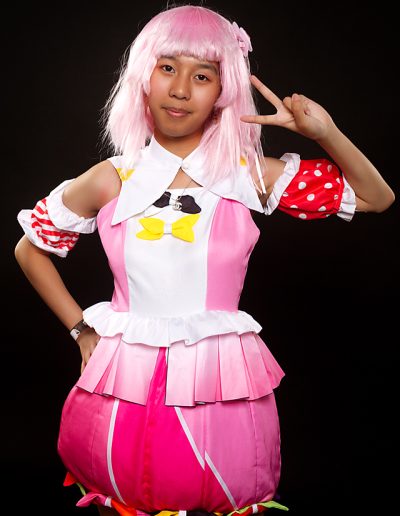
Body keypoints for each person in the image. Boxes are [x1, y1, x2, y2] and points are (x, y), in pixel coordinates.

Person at [14, 4, 394, 516]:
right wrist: (81, 331)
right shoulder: (112, 177)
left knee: (220, 494)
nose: (179, 90)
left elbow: (375, 197)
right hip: (123, 381)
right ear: (143, 76)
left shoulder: (247, 175)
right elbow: (30, 248)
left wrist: (324, 133)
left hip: (218, 383)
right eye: (167, 67)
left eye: (202, 76)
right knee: (119, 496)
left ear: (223, 92)